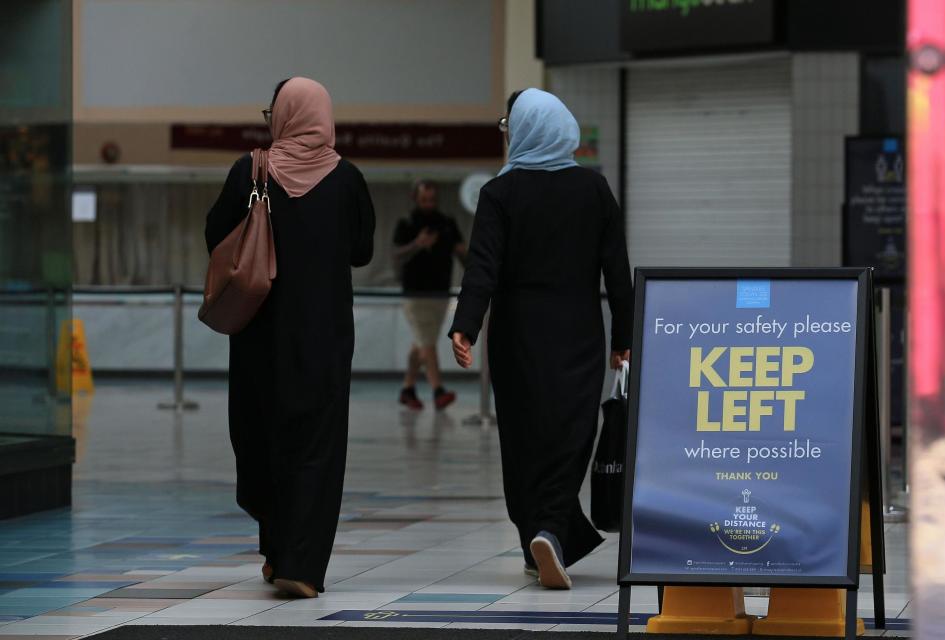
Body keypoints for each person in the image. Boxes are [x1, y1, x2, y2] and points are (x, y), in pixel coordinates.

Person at [449, 89, 633, 589]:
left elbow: (481, 267)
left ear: (524, 130)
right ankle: (548, 532)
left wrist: (465, 324)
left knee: (523, 439)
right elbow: (617, 271)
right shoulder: (593, 190)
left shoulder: (499, 193)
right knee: (571, 435)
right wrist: (624, 336)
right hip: (576, 332)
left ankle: (540, 533)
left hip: (515, 336)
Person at [204, 77, 375, 599]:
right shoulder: (347, 179)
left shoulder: (249, 171)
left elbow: (216, 236)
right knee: (316, 445)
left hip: (259, 334)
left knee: (263, 436)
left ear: (280, 116)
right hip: (323, 336)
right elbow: (362, 251)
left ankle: (278, 550)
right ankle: (300, 562)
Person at [393, 179, 466, 410]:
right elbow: (396, 254)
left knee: (423, 342)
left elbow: (463, 255)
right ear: (415, 198)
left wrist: (462, 252)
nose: (428, 204)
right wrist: (416, 244)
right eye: (424, 200)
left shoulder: (447, 224)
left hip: (440, 293)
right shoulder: (406, 223)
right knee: (427, 341)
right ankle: (438, 390)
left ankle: (408, 388)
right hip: (415, 293)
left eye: (432, 200)